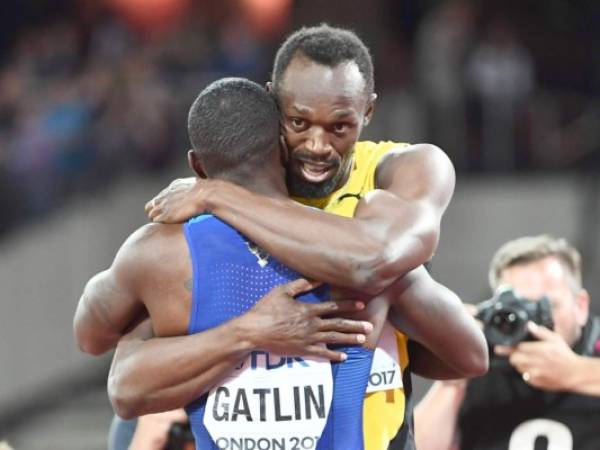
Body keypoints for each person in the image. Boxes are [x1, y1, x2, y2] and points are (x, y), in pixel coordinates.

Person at [76, 25, 487, 450]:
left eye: (339, 127)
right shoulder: (201, 231)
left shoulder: (402, 174)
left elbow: (373, 263)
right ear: (274, 108)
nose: (318, 145)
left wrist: (218, 194)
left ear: (368, 111)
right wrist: (251, 333)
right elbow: (110, 359)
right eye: (298, 122)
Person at [414, 235, 600, 450]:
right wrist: (455, 375)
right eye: (520, 310)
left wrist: (574, 371)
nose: (533, 323)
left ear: (581, 306)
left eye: (547, 307)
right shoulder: (487, 359)